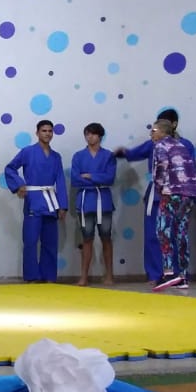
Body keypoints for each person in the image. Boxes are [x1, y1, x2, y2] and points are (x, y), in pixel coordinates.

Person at [114, 108, 189, 284]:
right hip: (156, 194)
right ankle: (156, 274)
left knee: (177, 235)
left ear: (173, 125)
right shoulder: (152, 144)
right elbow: (133, 153)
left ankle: (178, 274)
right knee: (153, 235)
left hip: (177, 193)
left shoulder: (185, 145)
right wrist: (121, 153)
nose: (154, 131)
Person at [3, 120, 68, 283]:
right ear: (37, 133)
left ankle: (48, 275)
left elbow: (60, 180)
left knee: (50, 240)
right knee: (31, 240)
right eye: (44, 130)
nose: (47, 133)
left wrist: (63, 205)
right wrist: (19, 185)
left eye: (50, 131)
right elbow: (10, 168)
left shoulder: (56, 157)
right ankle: (32, 276)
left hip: (51, 201)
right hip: (33, 200)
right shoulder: (27, 152)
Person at [150, 119, 196, 291]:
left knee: (162, 230)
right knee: (181, 232)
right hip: (189, 194)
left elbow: (161, 168)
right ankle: (183, 276)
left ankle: (168, 273)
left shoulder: (160, 146)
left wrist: (159, 188)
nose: (151, 134)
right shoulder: (181, 145)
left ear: (162, 131)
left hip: (171, 192)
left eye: (154, 130)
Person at [70, 123, 117, 287]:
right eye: (87, 134)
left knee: (106, 238)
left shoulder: (109, 156)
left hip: (104, 201)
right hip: (85, 202)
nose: (89, 137)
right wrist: (98, 178)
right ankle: (83, 277)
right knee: (87, 239)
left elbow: (110, 178)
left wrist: (90, 176)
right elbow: (75, 179)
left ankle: (109, 275)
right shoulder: (78, 156)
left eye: (93, 134)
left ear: (100, 136)